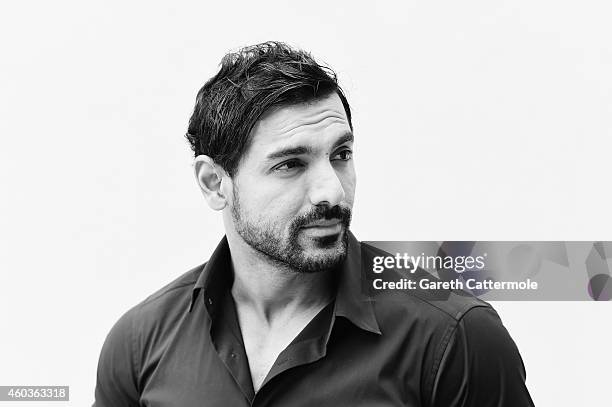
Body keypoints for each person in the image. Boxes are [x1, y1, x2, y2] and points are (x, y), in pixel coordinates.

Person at [93, 41, 534, 406]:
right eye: (290, 164)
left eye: (340, 155)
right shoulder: (139, 343)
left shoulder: (453, 338)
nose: (332, 192)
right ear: (215, 183)